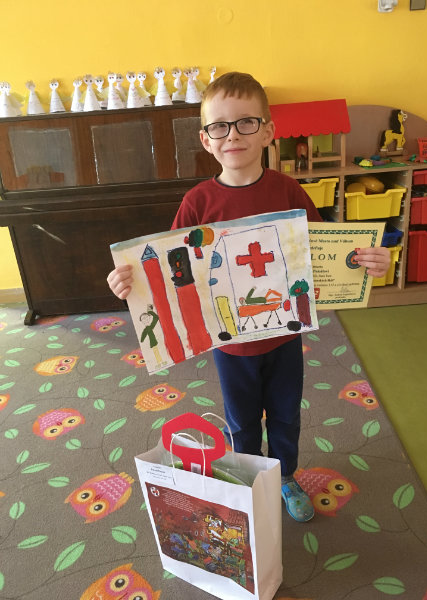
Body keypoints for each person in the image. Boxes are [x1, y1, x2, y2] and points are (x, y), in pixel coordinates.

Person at [107, 72, 390, 522]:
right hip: (231, 345)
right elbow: (168, 267)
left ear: (268, 130)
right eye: (219, 126)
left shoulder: (287, 191)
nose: (233, 135)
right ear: (206, 139)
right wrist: (130, 284)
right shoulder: (198, 202)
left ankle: (284, 476)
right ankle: (250, 478)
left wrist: (368, 261)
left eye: (246, 122)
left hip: (284, 336)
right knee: (241, 420)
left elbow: (322, 252)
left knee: (285, 415)